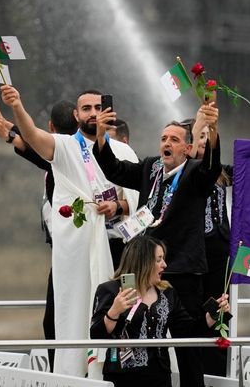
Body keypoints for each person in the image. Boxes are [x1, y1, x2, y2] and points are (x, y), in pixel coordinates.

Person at [0, 85, 139, 377]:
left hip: (119, 250)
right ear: (76, 115)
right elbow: (33, 136)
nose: (92, 113)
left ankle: (113, 376)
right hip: (78, 249)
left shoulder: (123, 150)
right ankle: (71, 377)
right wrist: (17, 106)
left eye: (97, 108)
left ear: (106, 112)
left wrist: (119, 208)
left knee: (120, 317)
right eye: (86, 108)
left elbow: (141, 199)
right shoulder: (64, 146)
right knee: (72, 312)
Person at [92, 100, 221, 387]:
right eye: (163, 138)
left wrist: (211, 130)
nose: (166, 143)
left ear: (187, 149)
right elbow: (115, 169)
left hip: (181, 271)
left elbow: (211, 168)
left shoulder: (194, 173)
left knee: (187, 349)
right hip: (141, 269)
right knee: (129, 333)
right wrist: (101, 136)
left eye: (174, 140)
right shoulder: (151, 167)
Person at [0, 99, 78, 370]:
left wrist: (12, 125)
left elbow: (36, 147)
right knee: (55, 321)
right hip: (62, 253)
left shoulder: (69, 157)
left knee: (59, 322)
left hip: (75, 252)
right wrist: (9, 130)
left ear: (50, 126)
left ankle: (67, 374)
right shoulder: (68, 156)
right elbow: (33, 147)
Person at [186, 97, 250, 376]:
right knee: (191, 318)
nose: (204, 144)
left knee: (219, 314)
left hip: (219, 256)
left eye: (207, 139)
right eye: (199, 138)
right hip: (189, 256)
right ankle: (190, 374)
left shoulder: (220, 173)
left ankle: (218, 376)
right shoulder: (178, 173)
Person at [91, 235, 231, 387]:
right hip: (122, 377)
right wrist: (114, 311)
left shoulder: (167, 292)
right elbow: (97, 335)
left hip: (159, 376)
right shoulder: (110, 290)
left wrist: (214, 314)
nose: (164, 265)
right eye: (158, 260)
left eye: (163, 259)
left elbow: (187, 331)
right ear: (142, 262)